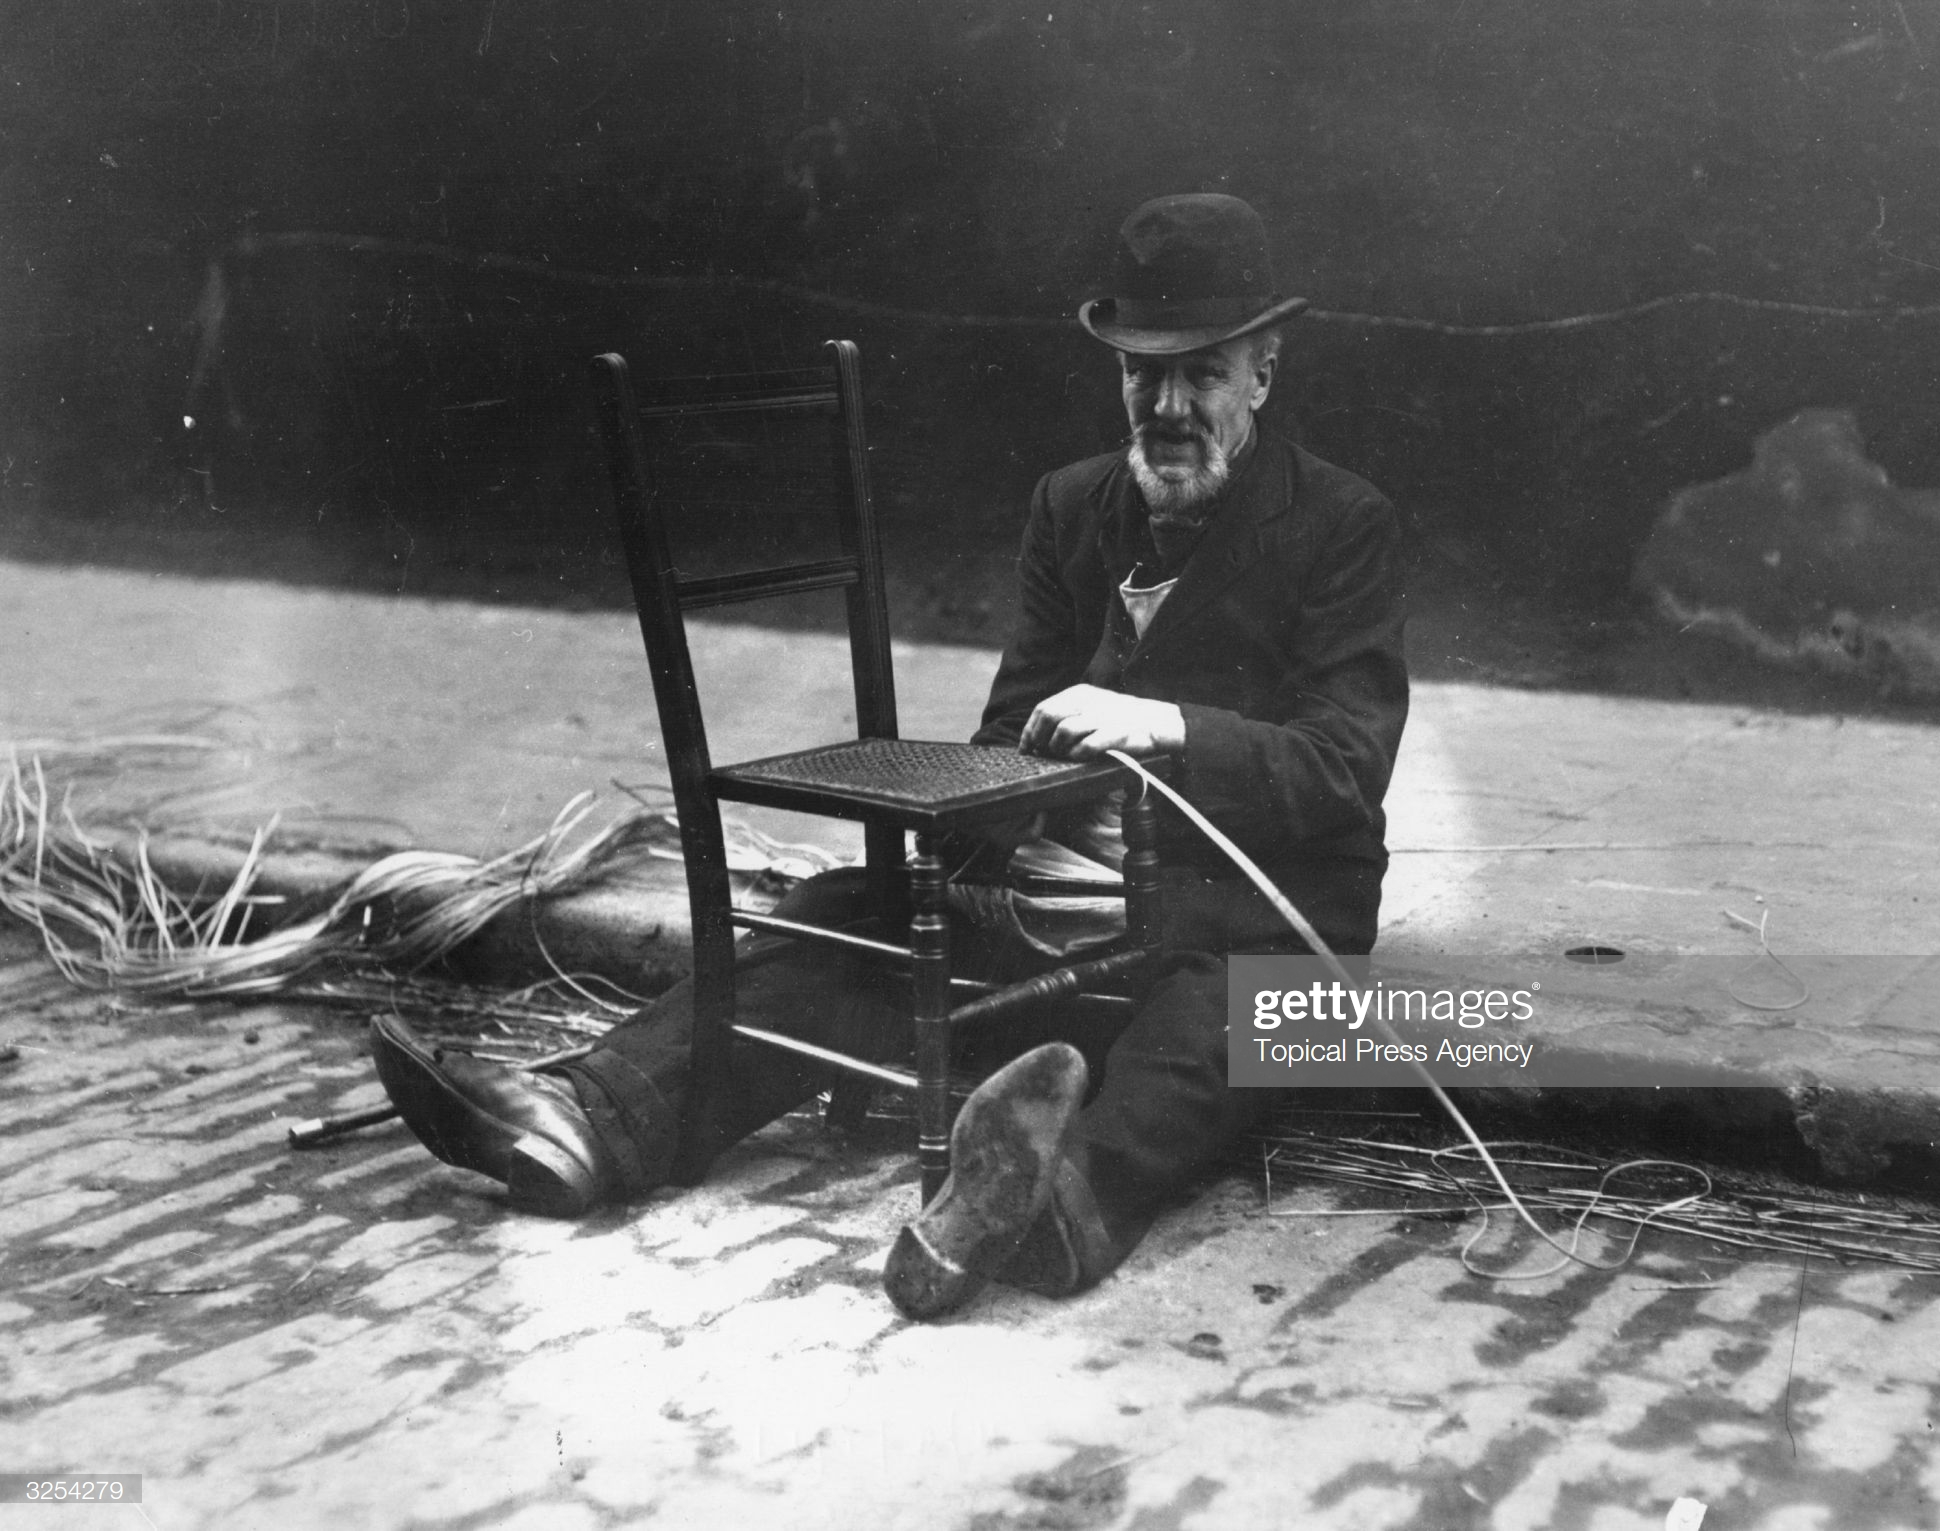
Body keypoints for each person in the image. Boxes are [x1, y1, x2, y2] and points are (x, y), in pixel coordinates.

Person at [370, 192, 1407, 1320]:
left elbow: (1342, 768)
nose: (1166, 405)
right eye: (1139, 373)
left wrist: (1160, 725)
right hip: (1064, 913)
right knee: (844, 917)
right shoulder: (1071, 507)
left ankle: (1057, 1206)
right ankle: (586, 1116)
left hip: (1251, 919)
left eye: (1201, 372)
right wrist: (983, 814)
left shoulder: (1339, 524)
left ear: (1261, 372)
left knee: (1216, 1031)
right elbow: (1006, 733)